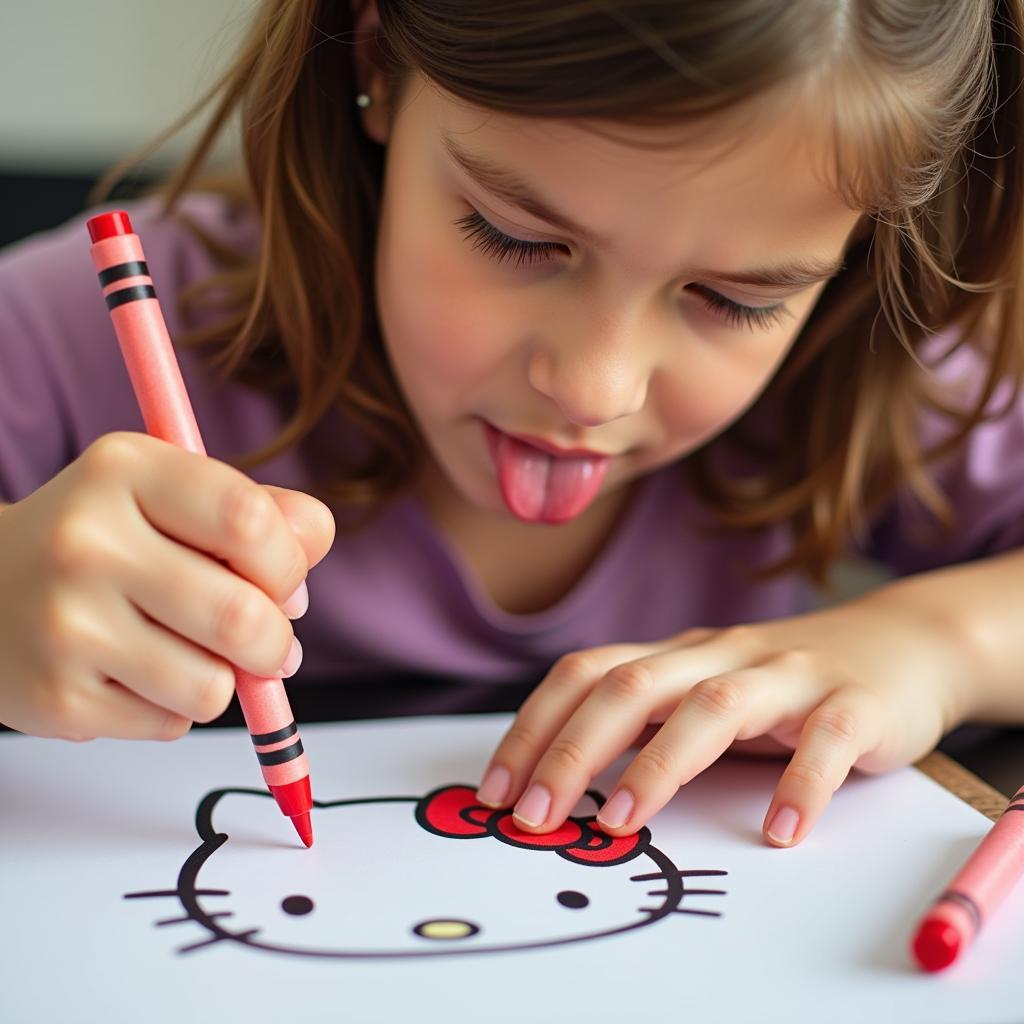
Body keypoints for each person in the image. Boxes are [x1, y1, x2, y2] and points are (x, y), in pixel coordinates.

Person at [1, 0, 1022, 851]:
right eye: (518, 237)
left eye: (735, 300)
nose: (593, 387)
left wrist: (929, 645)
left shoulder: (871, 370)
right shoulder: (69, 339)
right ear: (380, 64)